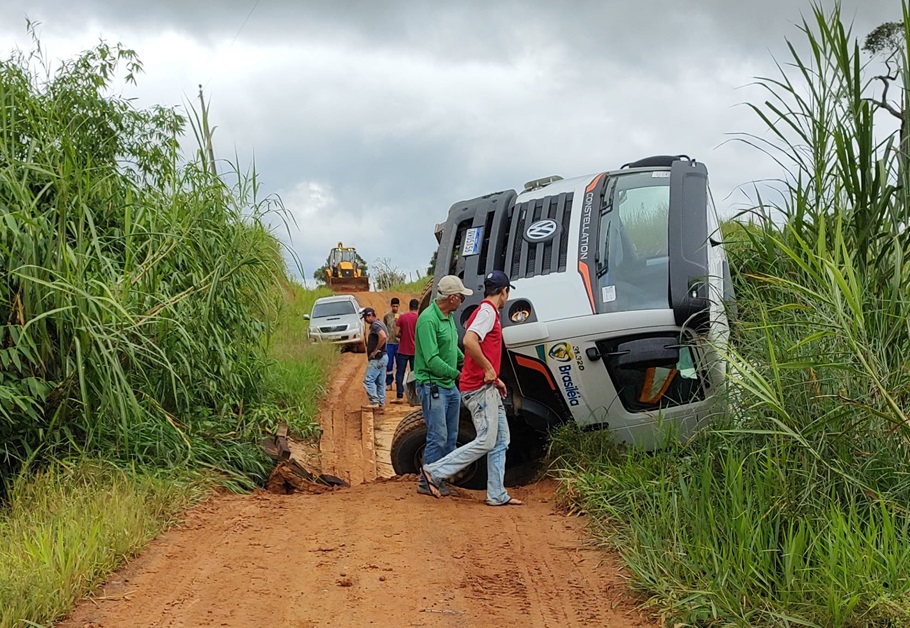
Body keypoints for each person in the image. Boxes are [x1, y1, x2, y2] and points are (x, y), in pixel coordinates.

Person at [419, 270, 523, 506]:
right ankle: (434, 471)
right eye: (507, 292)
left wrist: (495, 378)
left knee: (501, 440)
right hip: (478, 388)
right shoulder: (487, 311)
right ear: (503, 291)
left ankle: (496, 494)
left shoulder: (489, 312)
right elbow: (469, 341)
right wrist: (488, 369)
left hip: (487, 386)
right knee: (487, 439)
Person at [414, 275, 471, 496]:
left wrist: (466, 363)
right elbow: (432, 359)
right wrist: (457, 373)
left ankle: (440, 480)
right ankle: (426, 482)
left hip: (448, 386)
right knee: (437, 435)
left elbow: (451, 349)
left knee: (450, 436)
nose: (462, 301)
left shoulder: (448, 318)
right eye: (461, 297)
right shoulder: (428, 320)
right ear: (452, 297)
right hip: (433, 386)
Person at [392, 298, 419, 403]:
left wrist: (402, 335)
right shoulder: (419, 318)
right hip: (415, 350)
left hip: (403, 349)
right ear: (417, 307)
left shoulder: (402, 317)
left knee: (400, 373)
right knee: (414, 373)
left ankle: (399, 396)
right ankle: (413, 396)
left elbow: (396, 333)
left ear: (409, 306)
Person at [361, 307, 388, 411]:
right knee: (380, 382)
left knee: (368, 380)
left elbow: (384, 336)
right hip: (384, 357)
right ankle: (381, 403)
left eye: (365, 317)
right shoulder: (380, 323)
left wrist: (376, 350)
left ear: (369, 315)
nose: (365, 320)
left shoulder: (376, 326)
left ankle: (374, 401)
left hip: (378, 358)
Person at [383, 298, 401, 390]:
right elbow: (385, 327)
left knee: (399, 364)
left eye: (396, 306)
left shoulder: (401, 316)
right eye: (393, 306)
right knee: (389, 364)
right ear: (391, 306)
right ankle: (389, 383)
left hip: (398, 343)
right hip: (389, 343)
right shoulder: (387, 316)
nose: (395, 308)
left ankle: (399, 383)